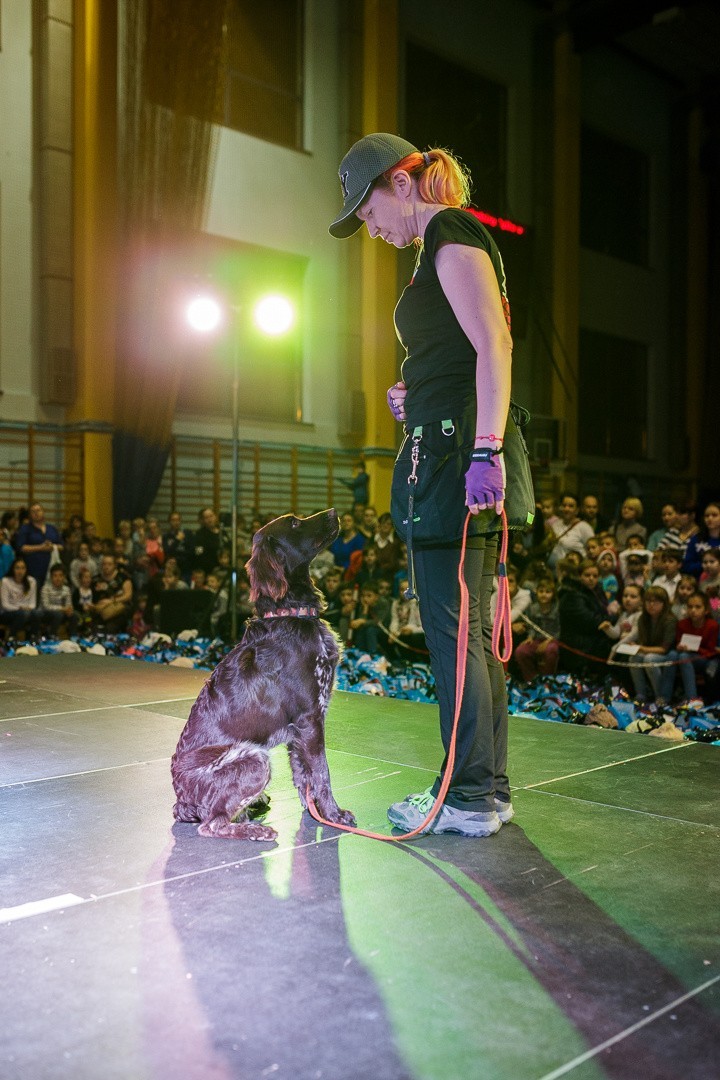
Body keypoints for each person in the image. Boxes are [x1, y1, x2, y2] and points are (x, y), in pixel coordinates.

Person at [330, 131, 515, 836]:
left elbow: (494, 342)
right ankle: (485, 791)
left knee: (452, 632)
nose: (369, 227)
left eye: (368, 210)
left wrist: (485, 449)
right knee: (467, 634)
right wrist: (421, 393)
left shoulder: (449, 234)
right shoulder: (435, 247)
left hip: (456, 464)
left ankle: (467, 797)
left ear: (400, 185)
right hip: (449, 447)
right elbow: (462, 350)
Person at [659, 591, 718, 706]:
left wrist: (693, 649)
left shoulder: (712, 625)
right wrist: (679, 647)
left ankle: (692, 699)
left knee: (683, 656)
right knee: (672, 655)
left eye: (697, 607)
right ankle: (664, 698)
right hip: (685, 655)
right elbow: (678, 642)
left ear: (706, 610)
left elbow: (711, 651)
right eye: (690, 607)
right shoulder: (682, 624)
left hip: (704, 659)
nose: (693, 610)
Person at [624, 586, 677, 703]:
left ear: (664, 603)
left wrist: (641, 648)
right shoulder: (643, 618)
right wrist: (635, 646)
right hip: (650, 650)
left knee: (649, 659)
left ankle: (660, 696)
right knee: (634, 658)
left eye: (656, 601)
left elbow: (664, 649)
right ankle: (640, 694)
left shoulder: (670, 620)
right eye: (648, 601)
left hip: (668, 654)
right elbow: (643, 642)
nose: (651, 604)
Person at [513, 577, 560, 682]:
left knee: (550, 651)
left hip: (553, 640)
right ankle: (532, 680)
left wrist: (548, 641)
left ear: (553, 594)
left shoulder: (557, 608)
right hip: (537, 639)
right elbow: (532, 626)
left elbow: (559, 630)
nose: (544, 594)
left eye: (548, 592)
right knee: (521, 651)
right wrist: (530, 637)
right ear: (536, 592)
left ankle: (547, 680)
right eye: (541, 591)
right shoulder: (533, 608)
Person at [13, 502, 63, 589]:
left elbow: (62, 546)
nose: (36, 513)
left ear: (43, 512)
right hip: (33, 570)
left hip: (52, 570)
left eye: (38, 510)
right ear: (30, 515)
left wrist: (52, 547)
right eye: (33, 511)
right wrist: (41, 547)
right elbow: (21, 547)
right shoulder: (25, 529)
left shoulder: (52, 528)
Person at [547, 494, 594, 570]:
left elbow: (593, 551)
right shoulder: (555, 524)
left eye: (571, 506)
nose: (566, 509)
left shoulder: (584, 527)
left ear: (577, 510)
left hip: (573, 573)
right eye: (564, 505)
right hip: (553, 572)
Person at [0, 558, 41, 639]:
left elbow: (33, 603)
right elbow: (5, 605)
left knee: (36, 614)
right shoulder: (5, 581)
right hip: (8, 612)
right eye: (17, 568)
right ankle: (11, 638)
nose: (20, 571)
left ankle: (33, 639)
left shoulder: (32, 581)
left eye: (23, 568)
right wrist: (20, 609)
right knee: (21, 614)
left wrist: (27, 609)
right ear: (13, 569)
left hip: (26, 611)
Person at [682, 502, 720, 579]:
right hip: (699, 582)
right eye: (707, 516)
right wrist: (706, 565)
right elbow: (686, 566)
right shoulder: (696, 540)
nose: (710, 518)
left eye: (714, 515)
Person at [39, 563, 76, 636]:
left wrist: (69, 609)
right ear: (51, 577)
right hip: (45, 614)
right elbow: (46, 606)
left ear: (64, 577)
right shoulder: (45, 588)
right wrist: (62, 609)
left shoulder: (67, 589)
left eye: (60, 575)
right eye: (55, 576)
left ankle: (73, 637)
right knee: (58, 615)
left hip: (61, 613)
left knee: (74, 615)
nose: (58, 578)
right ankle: (52, 636)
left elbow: (69, 605)